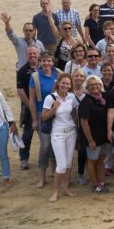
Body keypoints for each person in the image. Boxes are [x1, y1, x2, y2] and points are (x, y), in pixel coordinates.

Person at [42, 75, 79, 203]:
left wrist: (77, 126)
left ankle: (65, 189)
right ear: (58, 83)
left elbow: (74, 112)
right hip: (58, 133)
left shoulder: (71, 96)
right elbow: (44, 117)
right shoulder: (50, 98)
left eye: (68, 84)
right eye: (63, 83)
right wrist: (54, 108)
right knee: (61, 165)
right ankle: (55, 191)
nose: (65, 86)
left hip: (71, 132)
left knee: (68, 164)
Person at [28, 52, 59, 188]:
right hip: (43, 114)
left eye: (49, 61)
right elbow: (31, 100)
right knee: (45, 145)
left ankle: (53, 170)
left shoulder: (58, 73)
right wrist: (34, 119)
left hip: (58, 114)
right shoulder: (35, 77)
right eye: (44, 61)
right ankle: (42, 176)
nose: (46, 64)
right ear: (40, 62)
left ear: (52, 62)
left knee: (55, 142)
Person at [78, 76, 111, 193]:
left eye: (97, 84)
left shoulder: (101, 99)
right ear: (87, 87)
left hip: (102, 137)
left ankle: (99, 180)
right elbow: (84, 123)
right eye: (91, 85)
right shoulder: (86, 102)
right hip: (92, 138)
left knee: (100, 159)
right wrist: (90, 140)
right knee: (92, 160)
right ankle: (94, 184)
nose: (95, 86)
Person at [14, 45, 40, 170]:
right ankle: (23, 159)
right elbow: (20, 91)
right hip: (29, 106)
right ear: (26, 55)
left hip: (45, 105)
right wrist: (30, 104)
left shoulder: (45, 66)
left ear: (38, 53)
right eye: (30, 54)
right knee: (27, 134)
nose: (32, 55)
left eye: (34, 53)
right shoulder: (22, 71)